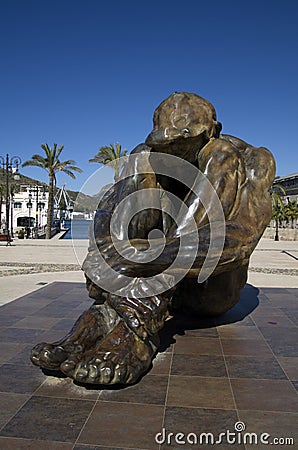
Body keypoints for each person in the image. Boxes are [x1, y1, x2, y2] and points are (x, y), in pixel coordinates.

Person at [31, 92, 275, 385]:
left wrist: (137, 257)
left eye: (182, 142)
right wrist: (105, 259)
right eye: (164, 143)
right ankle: (96, 323)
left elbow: (238, 241)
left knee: (221, 157)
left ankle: (133, 335)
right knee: (139, 159)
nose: (172, 151)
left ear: (212, 131)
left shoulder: (248, 161)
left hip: (209, 289)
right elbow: (108, 213)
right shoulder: (149, 156)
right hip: (147, 279)